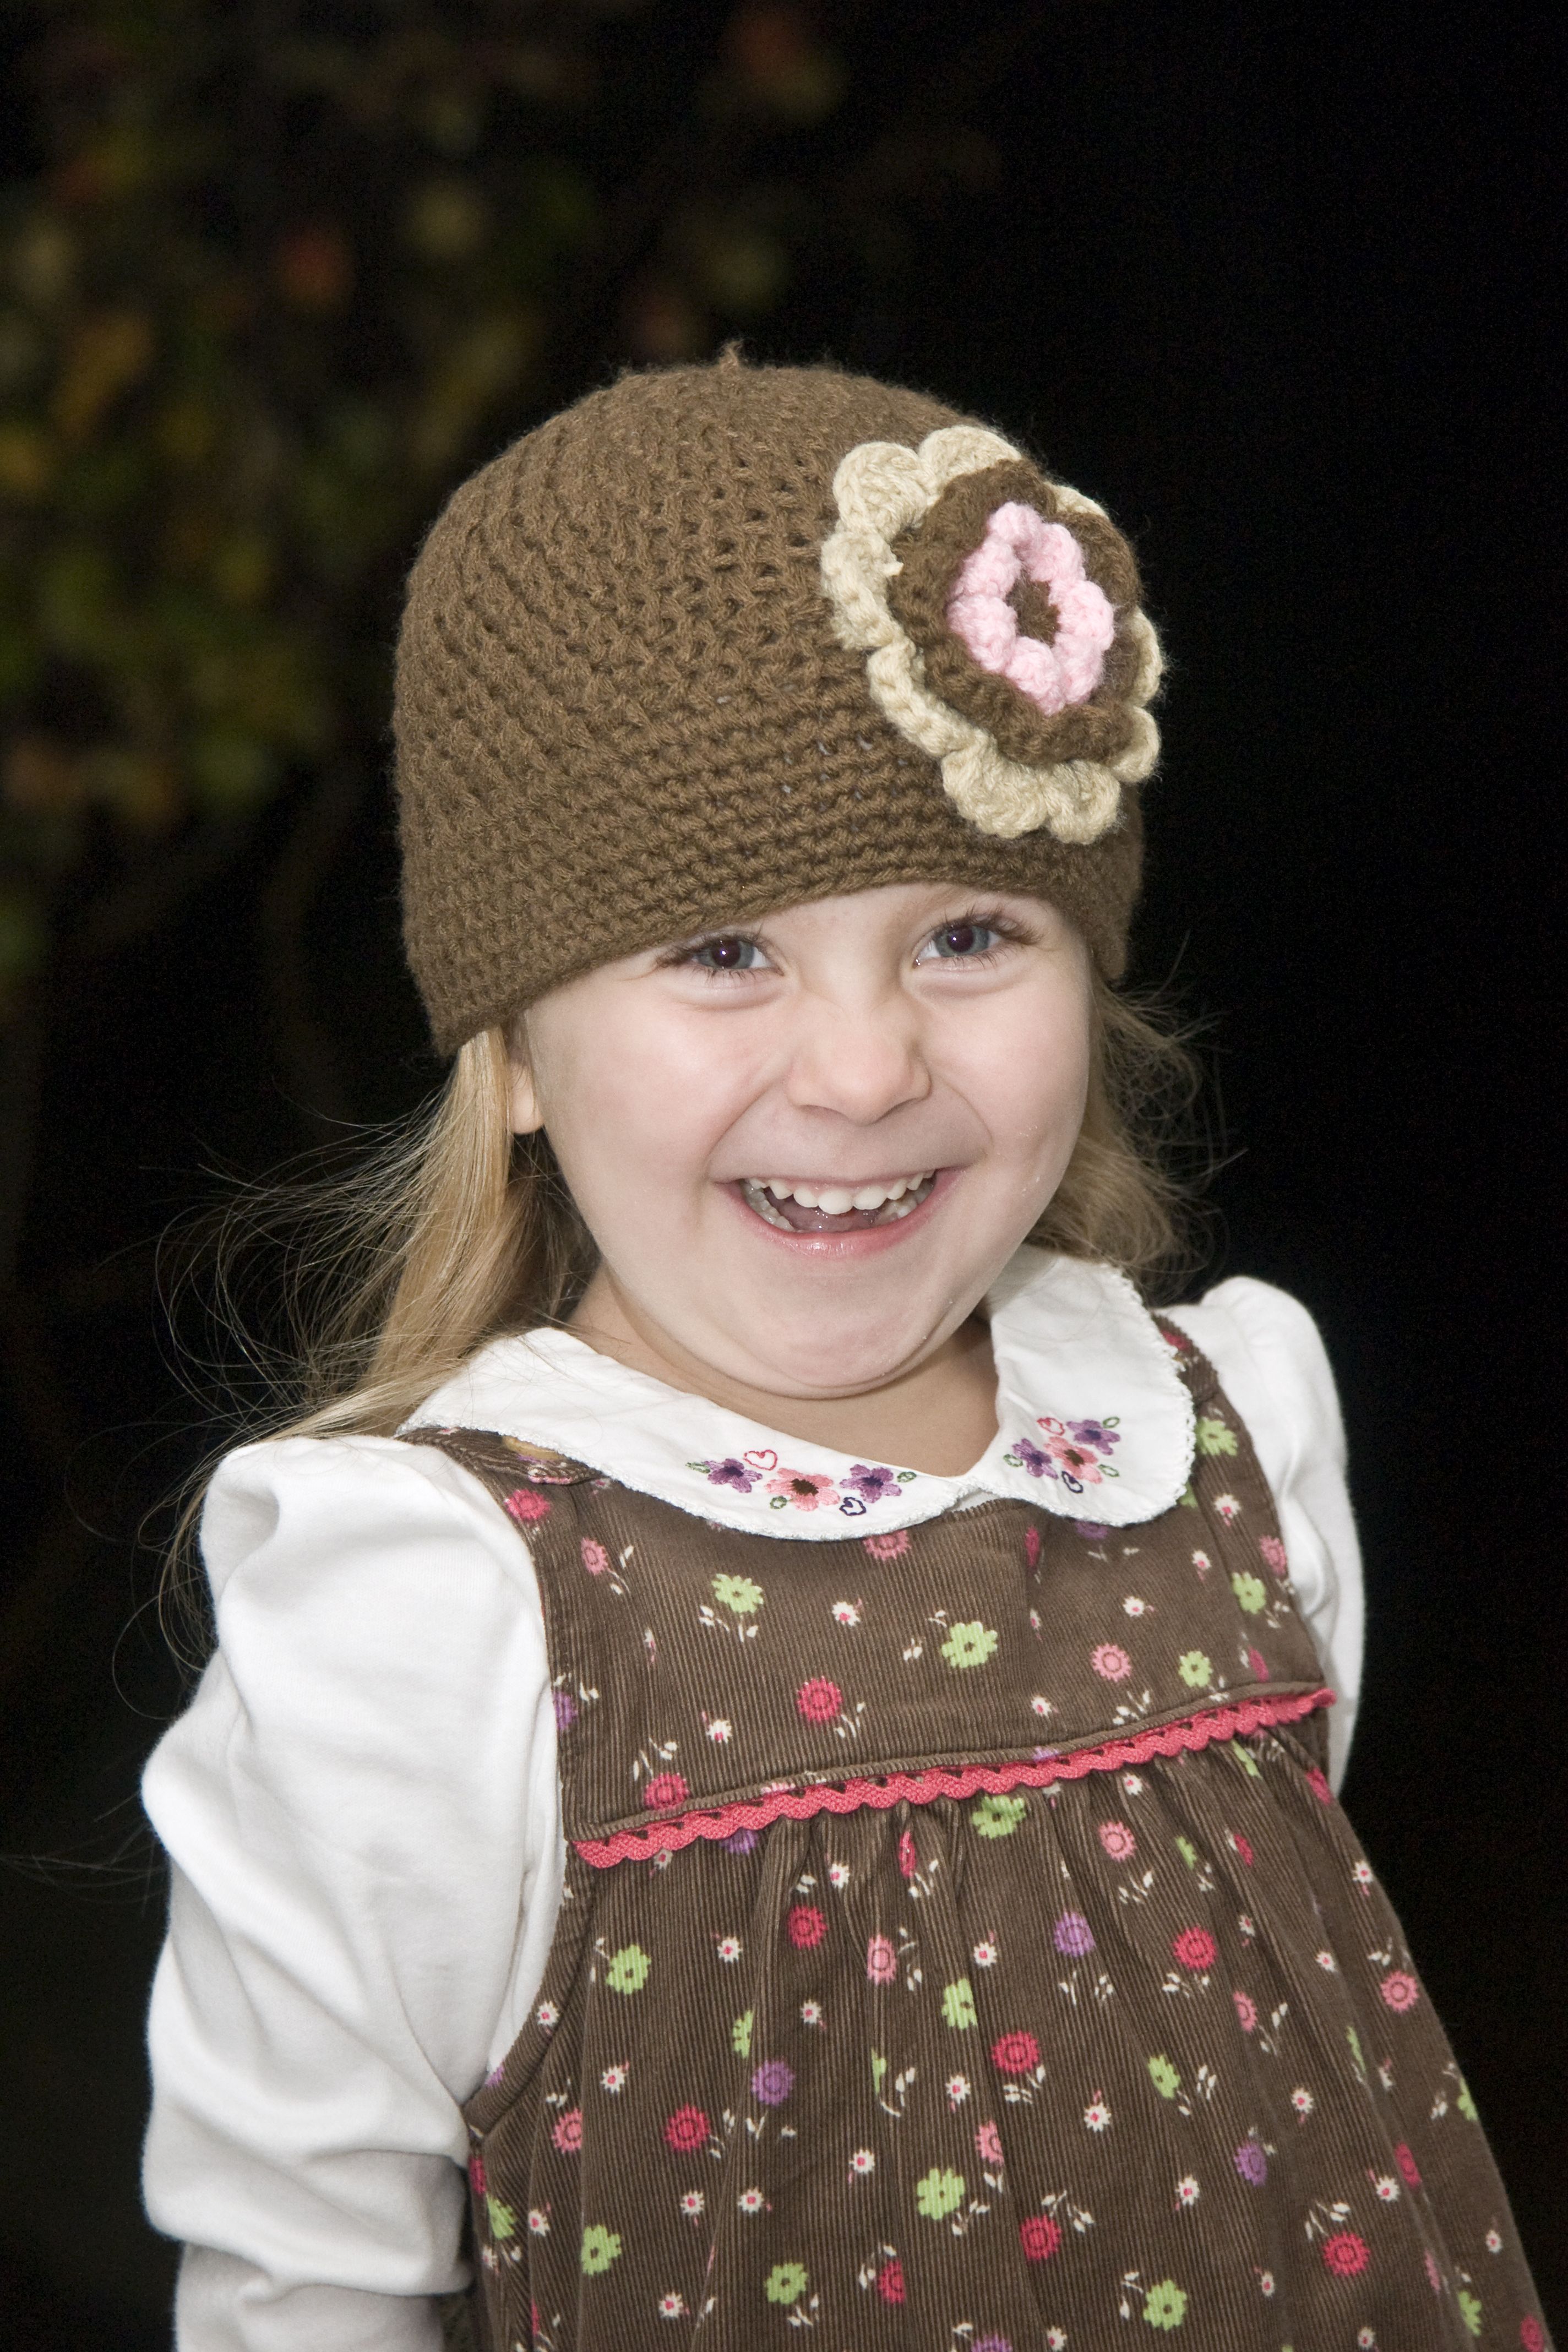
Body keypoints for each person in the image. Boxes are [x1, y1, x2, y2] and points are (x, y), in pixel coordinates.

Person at [141, 355, 1548, 2352]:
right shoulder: (433, 1616)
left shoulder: (1228, 1441)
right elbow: (303, 2295)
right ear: (515, 1049)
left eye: (970, 935)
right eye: (725, 950)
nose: (869, 1067)